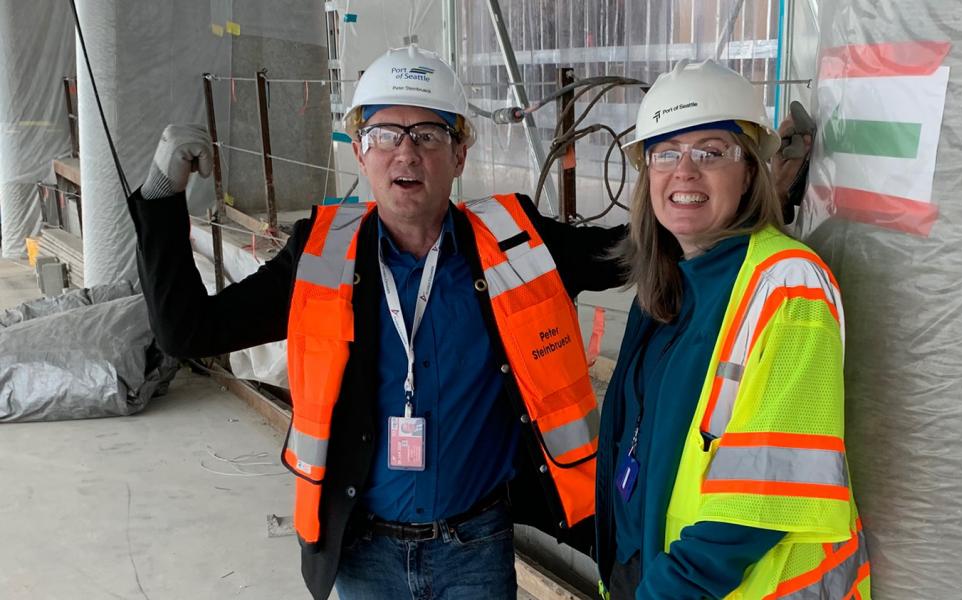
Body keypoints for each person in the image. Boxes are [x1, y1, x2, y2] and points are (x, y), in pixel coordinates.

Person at [128, 44, 625, 600]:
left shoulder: (517, 245)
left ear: (460, 154)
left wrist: (695, 182)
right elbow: (188, 330)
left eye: (429, 135)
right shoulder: (320, 256)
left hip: (476, 550)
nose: (406, 154)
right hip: (365, 555)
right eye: (386, 135)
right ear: (361, 154)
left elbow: (635, 253)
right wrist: (161, 193)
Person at [593, 59, 869, 599]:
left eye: (711, 152)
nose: (684, 172)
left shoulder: (790, 287)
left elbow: (766, 492)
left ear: (749, 170)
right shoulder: (667, 284)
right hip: (645, 572)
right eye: (665, 153)